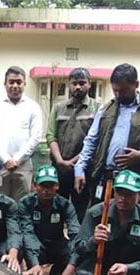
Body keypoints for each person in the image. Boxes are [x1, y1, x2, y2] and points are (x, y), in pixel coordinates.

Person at [74, 63, 140, 204]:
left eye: (124, 90)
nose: (119, 94)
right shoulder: (106, 109)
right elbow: (91, 141)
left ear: (136, 84)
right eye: (115, 90)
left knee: (129, 222)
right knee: (99, 220)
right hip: (105, 177)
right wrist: (79, 169)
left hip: (134, 181)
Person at [65, 169, 140, 275]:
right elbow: (78, 247)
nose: (123, 198)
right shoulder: (96, 214)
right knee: (83, 274)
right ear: (113, 192)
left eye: (129, 194)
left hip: (131, 268)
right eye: (119, 192)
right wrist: (93, 240)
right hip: (101, 264)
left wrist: (129, 268)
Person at [46, 68, 101, 221]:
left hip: (83, 169)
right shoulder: (58, 108)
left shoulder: (97, 109)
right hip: (59, 168)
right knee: (56, 208)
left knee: (80, 210)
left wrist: (74, 162)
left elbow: (96, 141)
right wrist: (60, 161)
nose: (77, 87)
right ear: (69, 85)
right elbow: (51, 135)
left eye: (82, 83)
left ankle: (77, 241)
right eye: (74, 83)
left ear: (89, 84)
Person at [0, 66, 44, 201]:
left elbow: (35, 137)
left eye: (19, 82)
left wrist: (17, 159)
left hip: (23, 166)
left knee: (22, 204)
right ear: (5, 84)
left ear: (24, 84)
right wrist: (6, 159)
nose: (15, 85)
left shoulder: (33, 107)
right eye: (11, 82)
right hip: (0, 165)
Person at [19, 165, 80, 275]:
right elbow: (27, 233)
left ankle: (59, 273)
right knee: (21, 244)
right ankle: (32, 273)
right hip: (35, 246)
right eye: (43, 186)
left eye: (50, 186)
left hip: (57, 244)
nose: (46, 190)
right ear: (35, 186)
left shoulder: (65, 205)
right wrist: (35, 263)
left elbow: (75, 233)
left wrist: (72, 265)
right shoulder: (25, 203)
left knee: (77, 247)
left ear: (57, 186)